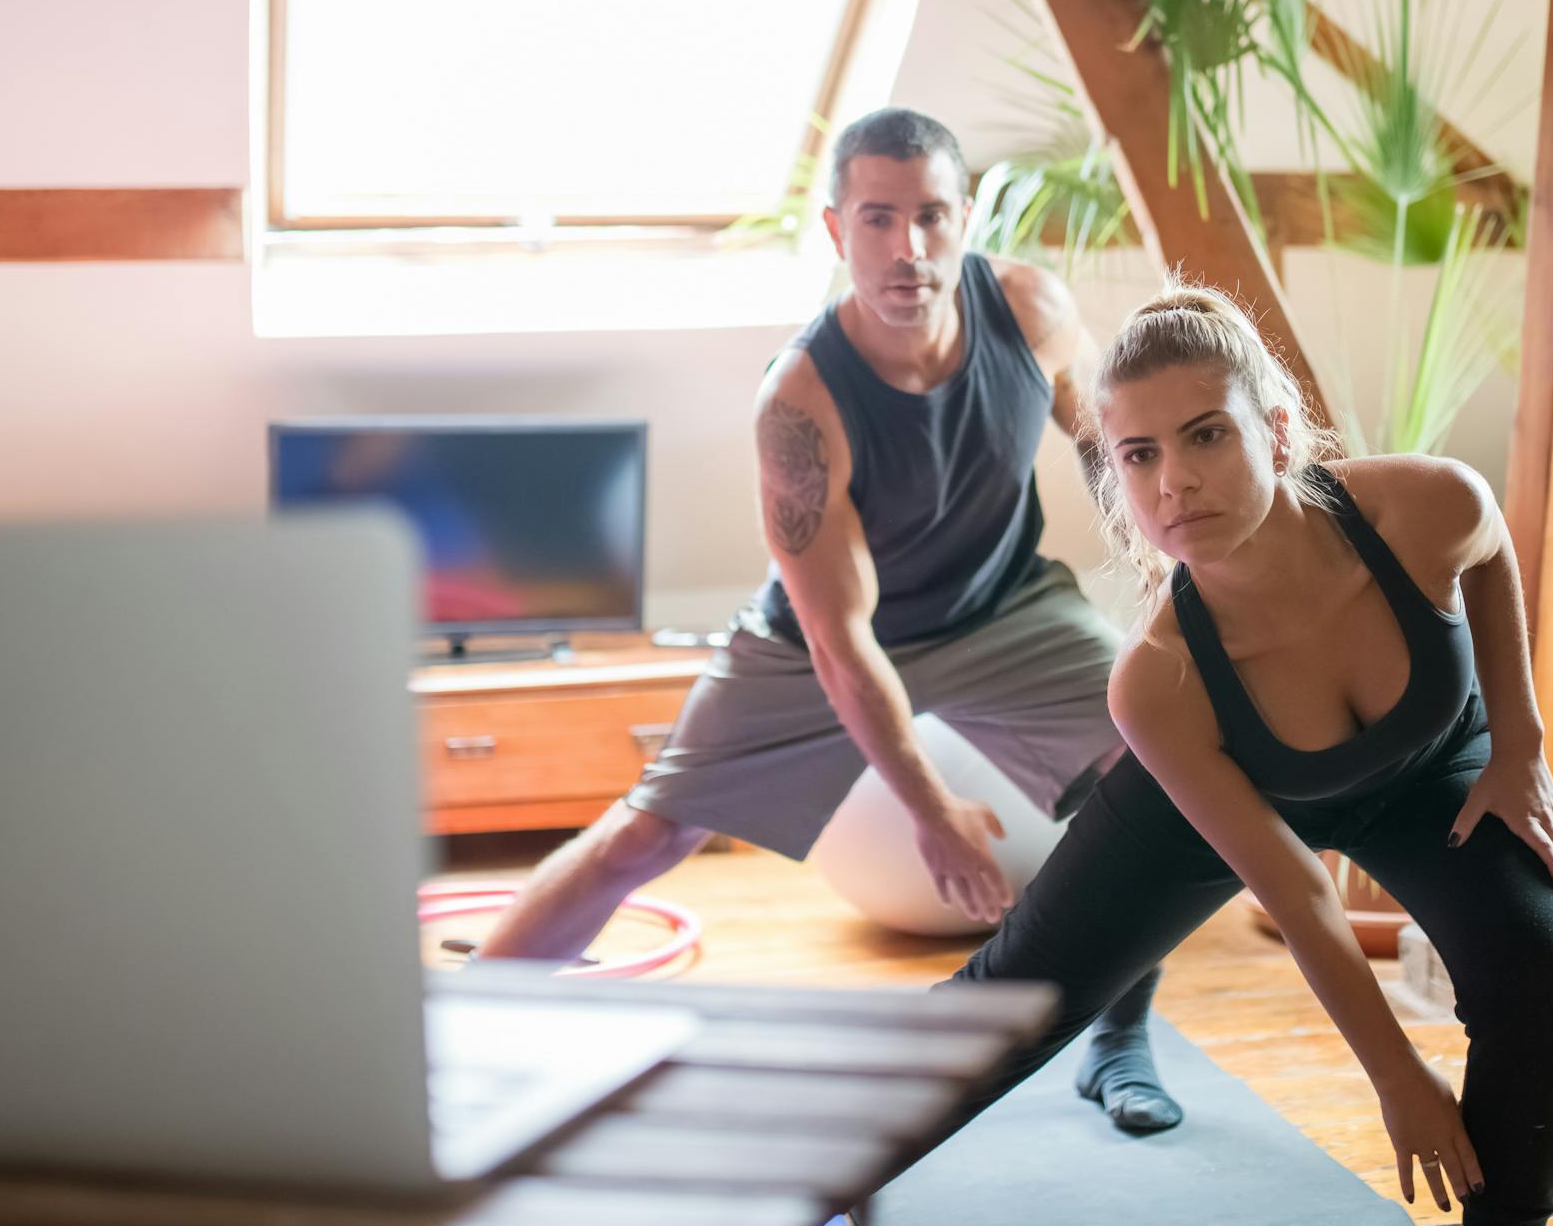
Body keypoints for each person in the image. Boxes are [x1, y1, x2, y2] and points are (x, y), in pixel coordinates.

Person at [474, 106, 1182, 1133]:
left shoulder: (1029, 309)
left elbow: (1107, 437)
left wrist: (1160, 569)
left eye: (932, 215)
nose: (909, 248)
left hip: (1001, 604)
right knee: (647, 834)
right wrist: (933, 807)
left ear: (966, 214)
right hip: (825, 640)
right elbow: (842, 644)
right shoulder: (800, 401)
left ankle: (1117, 1034)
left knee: (1156, 756)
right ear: (835, 227)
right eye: (879, 219)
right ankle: (455, 1030)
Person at [932, 282, 1553, 1226]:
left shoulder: (1422, 505)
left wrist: (1521, 745)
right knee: (1006, 1007)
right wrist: (1395, 1074)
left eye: (1205, 435)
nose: (1173, 480)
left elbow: (1490, 549)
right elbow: (1299, 893)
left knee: (1544, 983)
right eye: (1139, 454)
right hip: (1218, 790)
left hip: (1430, 772)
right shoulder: (1157, 679)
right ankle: (785, 1170)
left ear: (1277, 430)